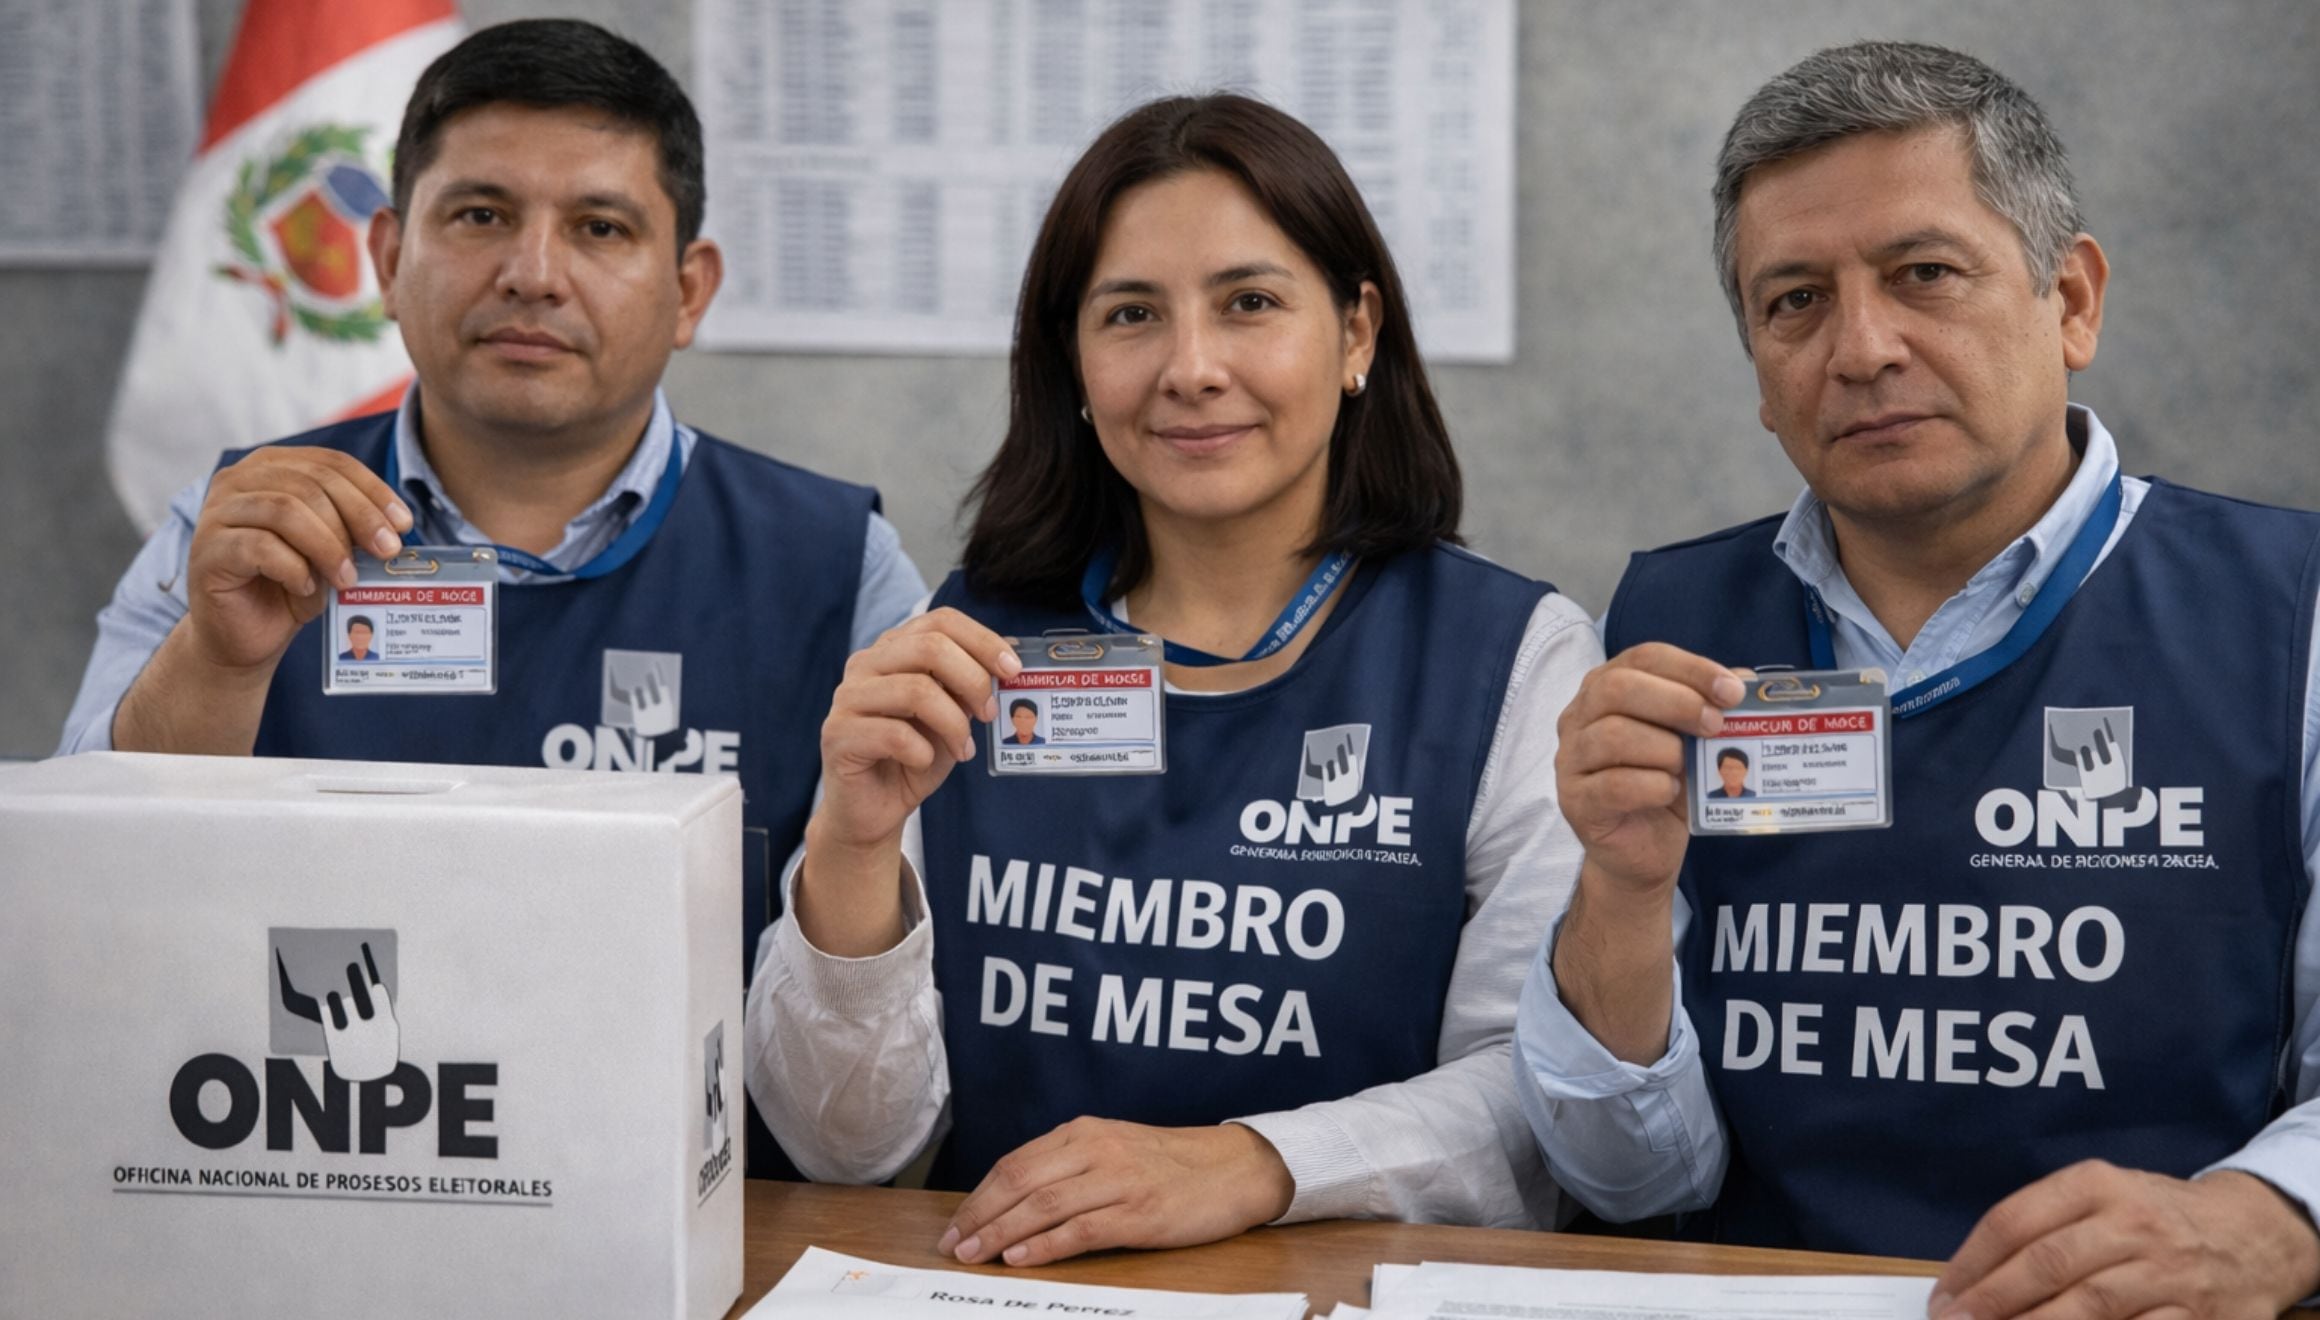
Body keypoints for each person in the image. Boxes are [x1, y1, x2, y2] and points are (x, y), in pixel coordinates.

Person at [1515, 39, 2320, 1317]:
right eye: (1794, 302)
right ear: (1760, 379)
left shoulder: (2289, 616)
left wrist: (2270, 1221)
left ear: (2072, 302)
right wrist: (1619, 888)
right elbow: (1624, 1183)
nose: (1861, 347)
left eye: (1923, 275)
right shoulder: (1667, 630)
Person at [57, 18, 923, 1180]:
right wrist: (219, 659)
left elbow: (871, 1138)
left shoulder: (839, 564)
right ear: (385, 256)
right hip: (301, 1191)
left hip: (698, 1227)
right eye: (479, 215)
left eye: (600, 228)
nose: (531, 272)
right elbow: (82, 929)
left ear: (687, 290)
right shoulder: (232, 528)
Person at [747, 93, 1597, 1266]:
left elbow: (1538, 1105)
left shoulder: (1518, 656)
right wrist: (847, 844)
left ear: (1356, 335)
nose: (1191, 369)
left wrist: (1254, 1163)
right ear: (1073, 361)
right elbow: (846, 1150)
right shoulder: (962, 640)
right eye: (1132, 314)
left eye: (1249, 304)